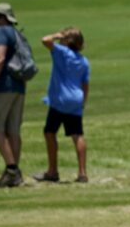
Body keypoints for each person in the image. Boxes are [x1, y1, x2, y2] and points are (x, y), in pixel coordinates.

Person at [0, 3, 30, 187]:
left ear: (2, 18)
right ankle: (13, 173)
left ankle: (12, 170)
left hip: (4, 86)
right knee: (13, 130)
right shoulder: (18, 34)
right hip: (19, 87)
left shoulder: (1, 33)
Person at [36, 28, 91, 182]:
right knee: (77, 135)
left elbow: (45, 40)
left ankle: (52, 171)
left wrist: (56, 35)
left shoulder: (61, 52)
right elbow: (85, 84)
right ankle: (82, 173)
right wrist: (83, 102)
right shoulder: (83, 61)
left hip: (59, 101)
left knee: (50, 132)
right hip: (76, 100)